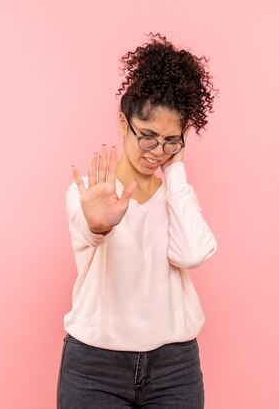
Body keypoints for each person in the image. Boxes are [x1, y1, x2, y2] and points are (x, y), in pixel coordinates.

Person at [57, 32, 218, 409]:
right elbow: (90, 228)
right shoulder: (90, 193)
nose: (156, 152)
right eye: (146, 137)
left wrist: (176, 172)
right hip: (95, 368)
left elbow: (192, 253)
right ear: (122, 122)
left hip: (174, 368)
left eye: (170, 141)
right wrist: (99, 224)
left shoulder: (177, 197)